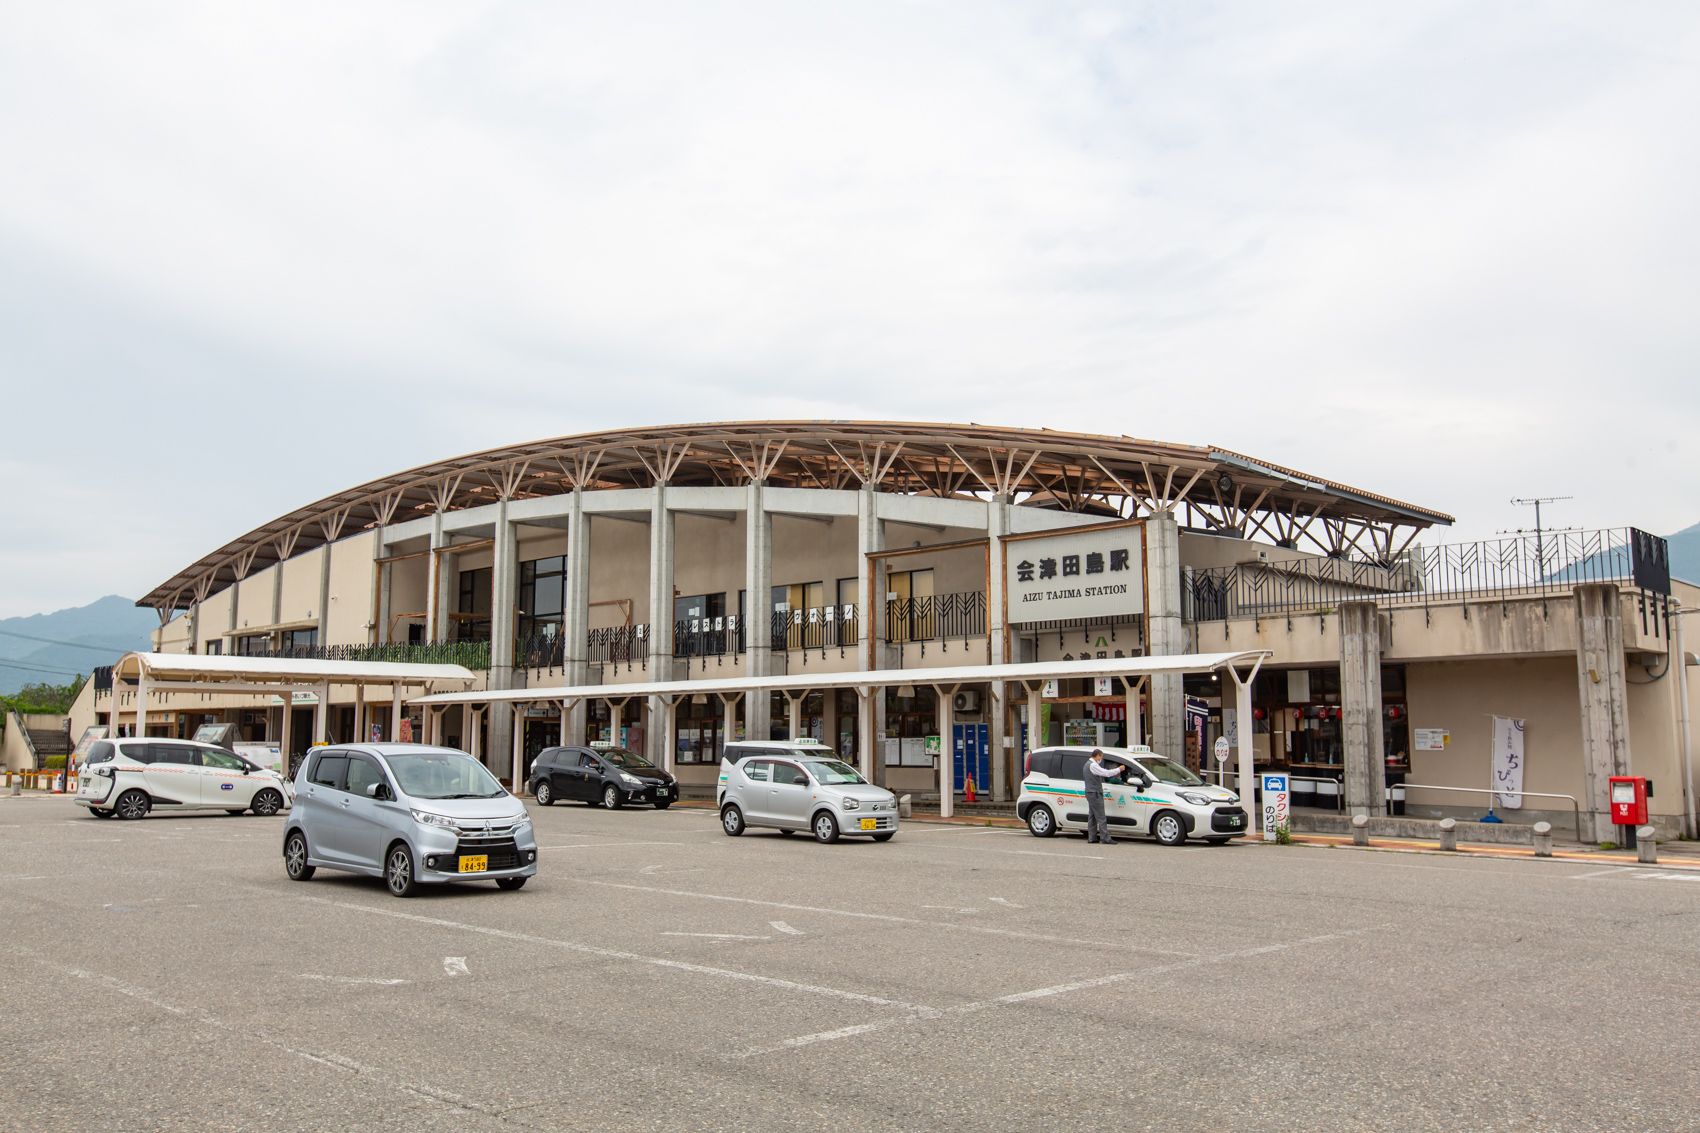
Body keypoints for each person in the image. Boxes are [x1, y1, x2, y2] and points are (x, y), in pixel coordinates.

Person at [1085, 748, 1122, 844]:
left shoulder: (1087, 764)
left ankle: (1092, 837)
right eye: (1101, 757)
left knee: (1092, 816)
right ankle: (1105, 838)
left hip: (1090, 792)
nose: (1101, 759)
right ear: (1097, 756)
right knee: (1101, 816)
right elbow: (1106, 773)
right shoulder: (1093, 765)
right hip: (1095, 793)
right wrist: (1118, 769)